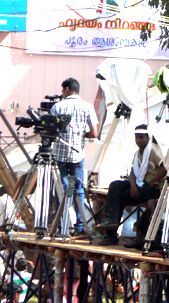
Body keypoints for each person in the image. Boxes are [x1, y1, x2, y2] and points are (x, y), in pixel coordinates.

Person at [97, 125, 166, 245]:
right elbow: (133, 173)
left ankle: (111, 234)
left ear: (148, 137)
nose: (138, 140)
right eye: (136, 137)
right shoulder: (137, 153)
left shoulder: (154, 151)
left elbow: (165, 167)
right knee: (114, 186)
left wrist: (155, 180)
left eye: (141, 137)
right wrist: (133, 186)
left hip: (152, 188)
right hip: (139, 184)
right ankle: (111, 225)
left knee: (118, 198)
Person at [50, 78, 99, 235]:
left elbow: (50, 130)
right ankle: (79, 226)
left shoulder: (57, 107)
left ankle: (62, 226)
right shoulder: (87, 107)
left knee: (61, 189)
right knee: (78, 189)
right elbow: (94, 133)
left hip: (60, 154)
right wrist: (79, 134)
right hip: (78, 154)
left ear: (66, 89)